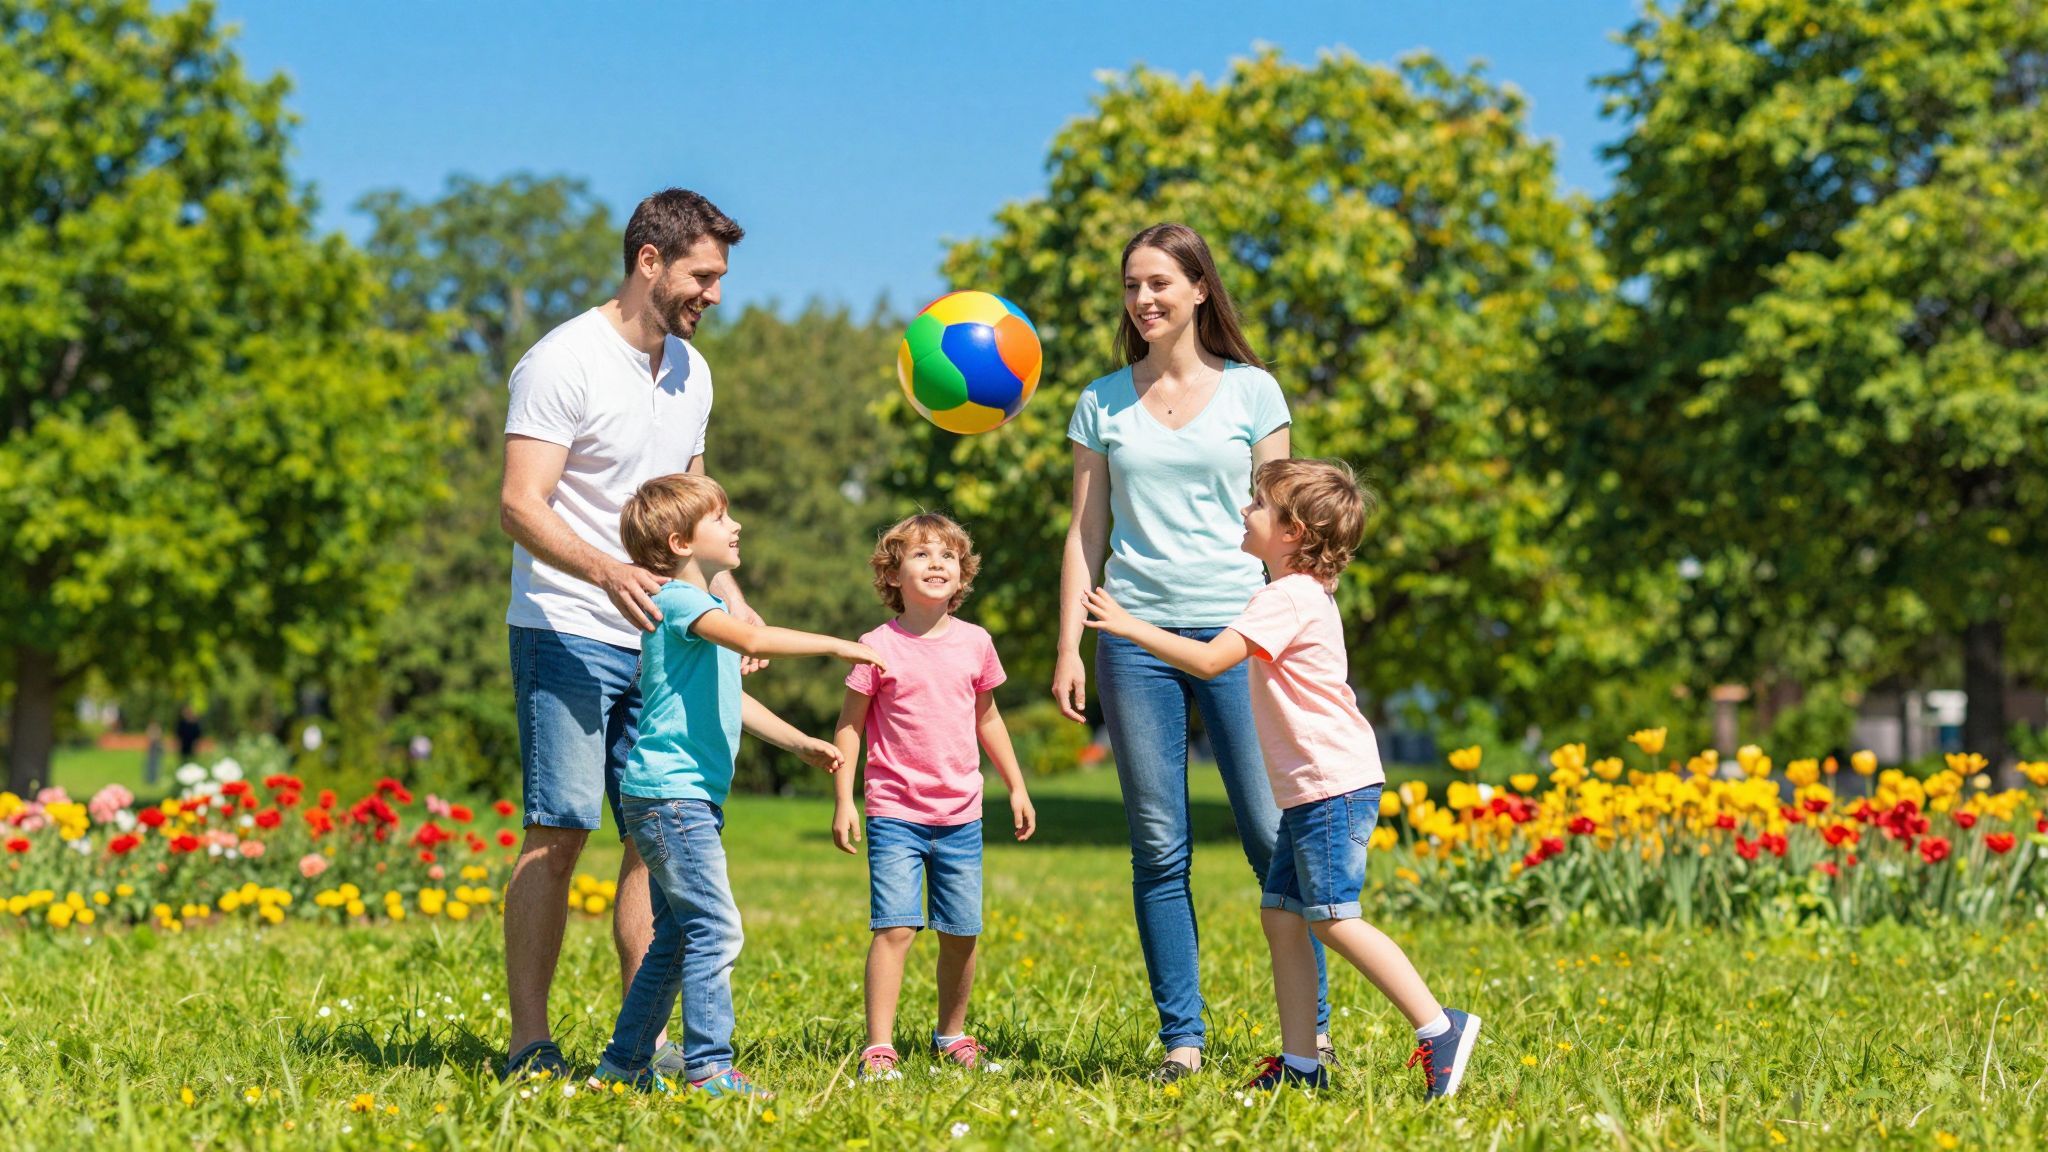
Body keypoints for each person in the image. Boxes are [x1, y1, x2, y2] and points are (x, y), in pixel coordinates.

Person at [1085, 459, 1480, 1097]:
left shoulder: (1286, 596)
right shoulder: (1298, 594)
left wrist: (1132, 627)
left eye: (1257, 507)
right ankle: (1302, 1066)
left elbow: (1214, 661)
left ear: (1292, 531)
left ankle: (1440, 1027)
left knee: (1330, 917)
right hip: (1312, 788)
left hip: (1331, 785)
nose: (1244, 514)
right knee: (1281, 916)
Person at [1052, 222, 1328, 1080]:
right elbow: (1085, 529)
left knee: (1270, 834)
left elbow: (1289, 524)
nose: (1144, 300)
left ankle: (1308, 1033)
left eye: (1161, 283)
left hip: (1240, 633)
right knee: (1159, 847)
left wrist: (1298, 625)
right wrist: (1069, 644)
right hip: (1133, 637)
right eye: (1132, 285)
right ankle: (1183, 1039)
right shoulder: (1101, 401)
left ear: (1201, 289)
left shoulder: (1255, 394)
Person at [497, 189, 762, 1081]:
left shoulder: (693, 372)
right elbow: (518, 505)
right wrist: (605, 571)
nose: (714, 294)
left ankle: (637, 1044)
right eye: (703, 274)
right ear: (650, 259)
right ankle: (529, 1044)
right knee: (558, 830)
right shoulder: (563, 360)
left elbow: (693, 515)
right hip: (565, 629)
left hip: (657, 640)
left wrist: (731, 600)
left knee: (655, 836)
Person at [593, 473, 882, 1096]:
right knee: (717, 929)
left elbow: (732, 699)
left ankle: (622, 1066)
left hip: (677, 796)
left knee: (676, 935)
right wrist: (837, 646)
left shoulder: (706, 610)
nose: (736, 526)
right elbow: (754, 639)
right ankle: (709, 1069)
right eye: (720, 519)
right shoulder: (676, 601)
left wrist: (798, 741)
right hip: (673, 797)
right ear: (678, 542)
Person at [828, 514, 1037, 1082]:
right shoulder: (875, 647)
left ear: (963, 573)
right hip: (895, 810)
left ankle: (952, 1033)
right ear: (892, 574)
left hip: (961, 813)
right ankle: (879, 1047)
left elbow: (987, 718)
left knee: (961, 931)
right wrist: (844, 799)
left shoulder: (976, 643)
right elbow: (850, 726)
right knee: (895, 927)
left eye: (947, 555)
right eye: (921, 555)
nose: (937, 563)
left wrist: (1016, 785)